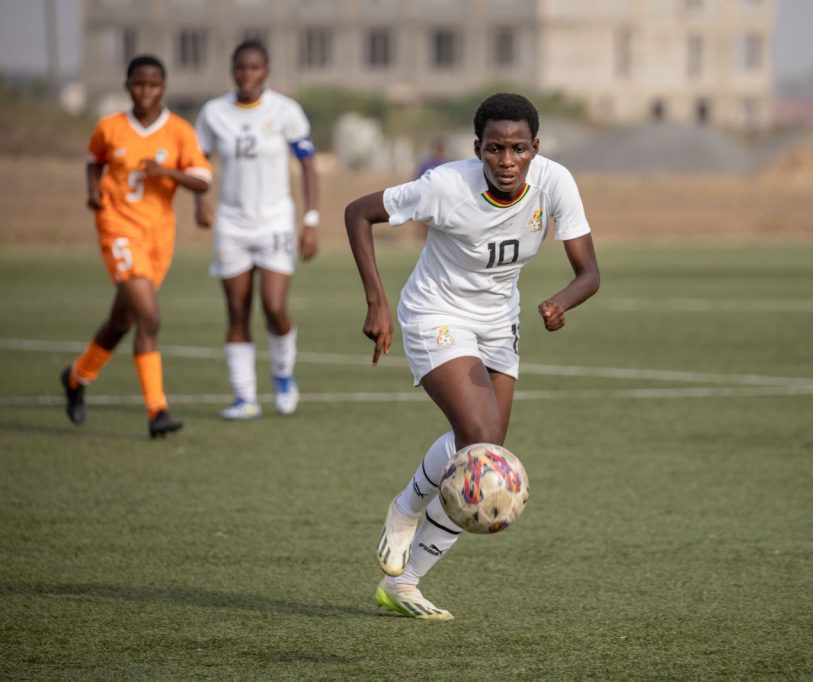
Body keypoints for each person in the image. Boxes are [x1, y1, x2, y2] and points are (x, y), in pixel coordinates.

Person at [344, 93, 600, 620]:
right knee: (482, 444)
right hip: (436, 312)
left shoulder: (555, 181)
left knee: (486, 453)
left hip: (497, 322)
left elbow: (589, 272)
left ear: (536, 148)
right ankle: (404, 508)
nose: (507, 162)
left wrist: (560, 302)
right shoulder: (445, 186)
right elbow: (357, 213)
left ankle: (405, 583)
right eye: (495, 149)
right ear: (477, 148)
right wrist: (377, 302)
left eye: (519, 149)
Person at [60, 54, 212, 438]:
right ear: (127, 85)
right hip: (118, 228)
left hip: (158, 235)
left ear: (164, 88)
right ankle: (157, 411)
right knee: (150, 317)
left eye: (154, 84)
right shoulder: (110, 127)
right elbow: (94, 160)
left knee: (121, 322)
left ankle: (77, 377)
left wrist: (166, 173)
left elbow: (201, 180)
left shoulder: (177, 131)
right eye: (139, 84)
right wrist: (93, 189)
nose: (146, 91)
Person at [193, 40, 320, 419]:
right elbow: (198, 159)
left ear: (266, 70)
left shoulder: (285, 111)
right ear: (232, 71)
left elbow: (308, 166)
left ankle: (283, 375)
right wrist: (200, 201)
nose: (247, 75)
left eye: (254, 67)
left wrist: (310, 219)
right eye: (240, 68)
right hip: (231, 224)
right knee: (236, 310)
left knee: (274, 306)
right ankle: (245, 397)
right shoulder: (213, 113)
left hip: (275, 221)